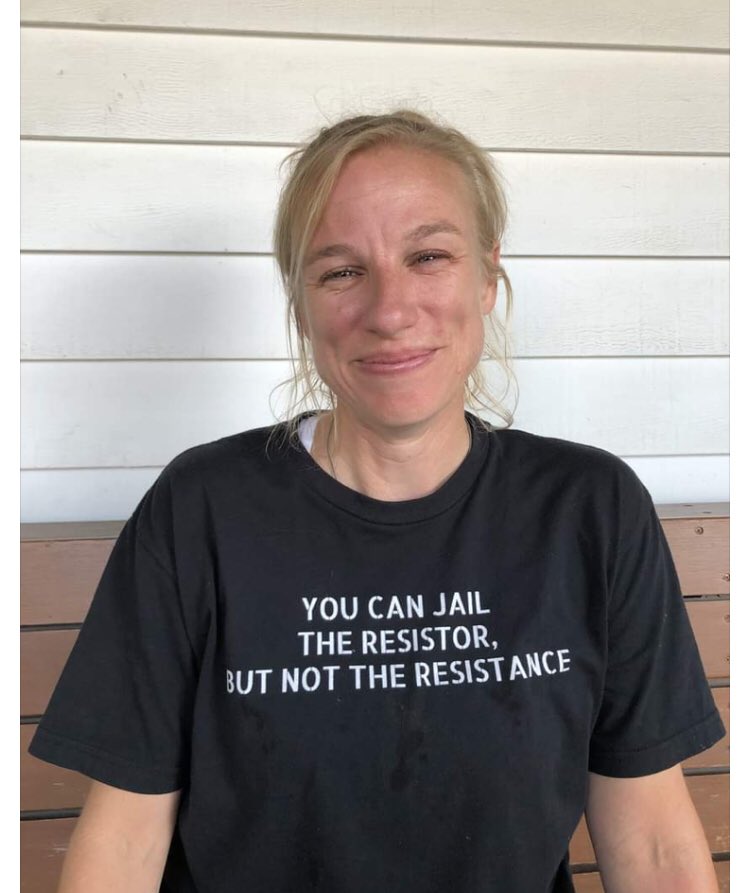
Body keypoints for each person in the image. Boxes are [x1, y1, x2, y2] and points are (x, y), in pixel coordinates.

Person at [29, 110, 725, 892]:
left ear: (488, 277)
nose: (390, 311)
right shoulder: (201, 511)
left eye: (428, 255)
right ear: (300, 302)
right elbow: (122, 844)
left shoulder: (589, 510)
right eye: (341, 270)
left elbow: (656, 842)